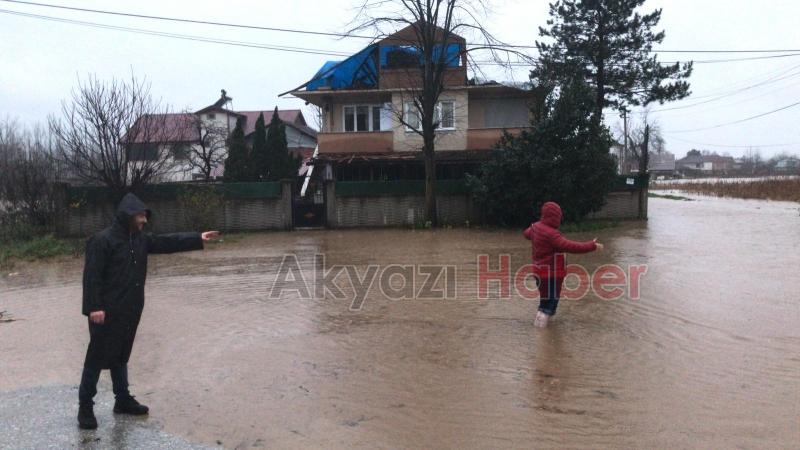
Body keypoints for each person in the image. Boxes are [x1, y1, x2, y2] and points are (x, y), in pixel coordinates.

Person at [77, 192, 220, 430]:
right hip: (105, 313)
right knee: (96, 358)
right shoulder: (102, 241)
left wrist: (197, 238)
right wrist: (94, 307)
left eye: (145, 216)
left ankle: (122, 399)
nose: (144, 220)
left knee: (121, 355)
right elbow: (92, 276)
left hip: (131, 310)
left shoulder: (140, 240)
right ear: (128, 215)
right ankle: (85, 407)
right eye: (141, 216)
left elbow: (167, 243)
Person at [523, 201, 603, 328]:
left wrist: (534, 227)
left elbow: (526, 233)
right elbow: (571, 246)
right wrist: (592, 245)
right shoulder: (552, 235)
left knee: (547, 302)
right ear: (555, 217)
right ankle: (541, 333)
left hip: (539, 273)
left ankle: (546, 330)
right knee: (548, 306)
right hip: (551, 276)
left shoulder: (535, 228)